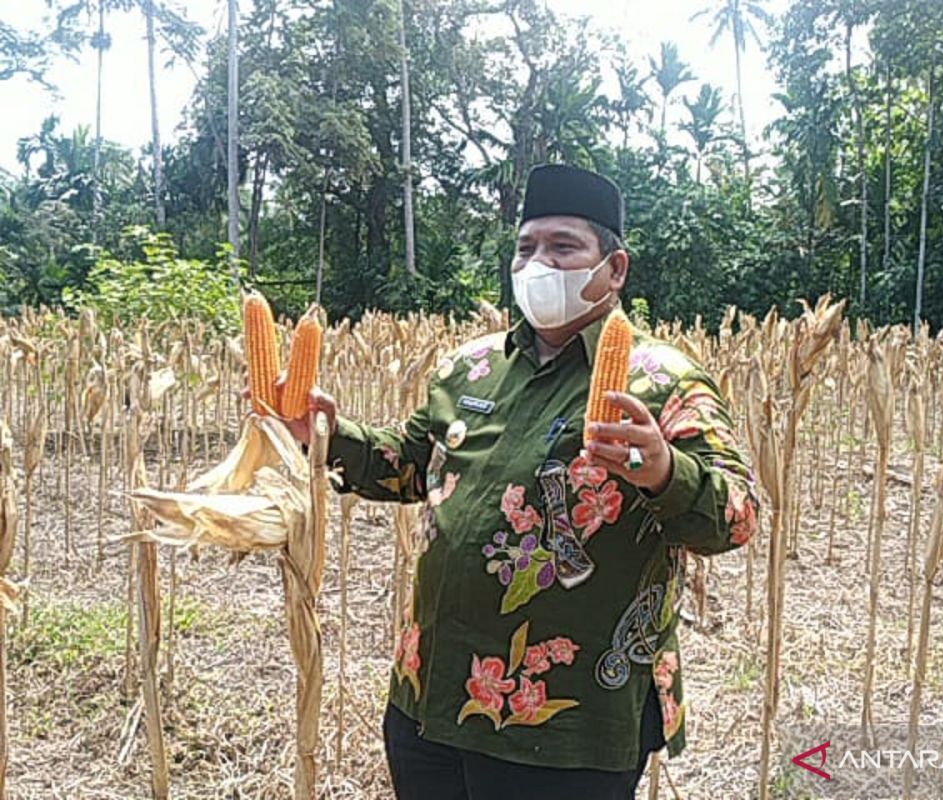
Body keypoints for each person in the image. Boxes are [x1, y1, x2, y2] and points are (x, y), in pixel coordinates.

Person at [291, 164, 760, 799]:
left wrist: (665, 471)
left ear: (614, 269)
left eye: (564, 247)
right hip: (431, 694)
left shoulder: (664, 381)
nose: (539, 262)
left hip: (569, 724)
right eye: (526, 247)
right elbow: (408, 466)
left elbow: (737, 517)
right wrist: (321, 434)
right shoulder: (470, 368)